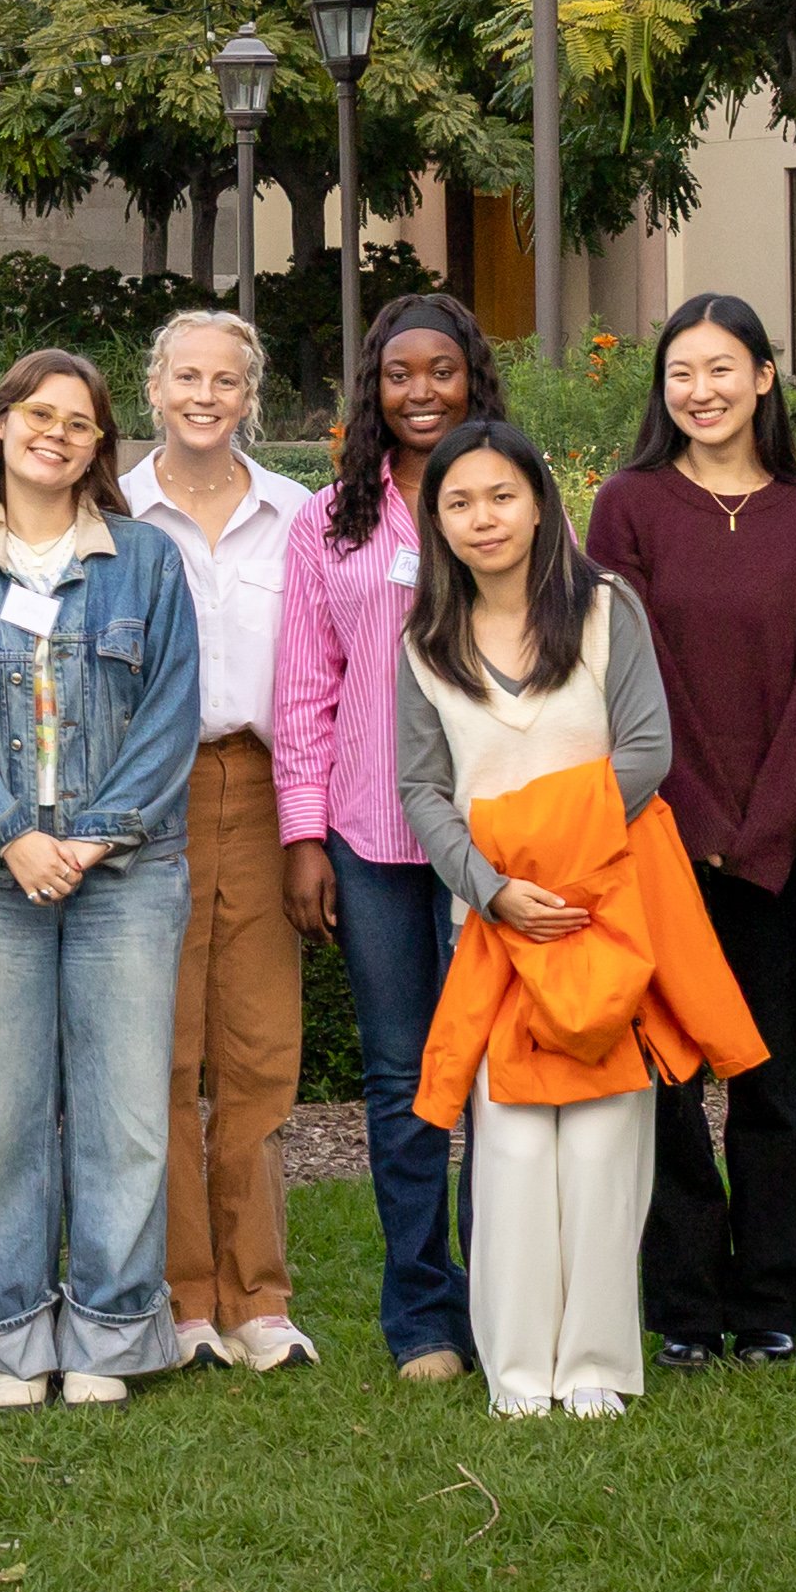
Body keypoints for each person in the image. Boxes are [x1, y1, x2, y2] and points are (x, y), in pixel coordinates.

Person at [394, 420, 764, 1416]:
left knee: (605, 1146)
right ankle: (519, 1376)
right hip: (502, 917)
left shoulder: (606, 610)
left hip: (608, 902)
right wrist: (494, 886)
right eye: (459, 501)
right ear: (438, 519)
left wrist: (553, 861)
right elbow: (422, 787)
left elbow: (646, 749)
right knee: (510, 1146)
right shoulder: (426, 642)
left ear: (540, 501)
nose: (483, 518)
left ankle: (596, 1370)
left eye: (501, 495)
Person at [0, 348, 205, 1406]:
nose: (56, 433)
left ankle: (111, 1330)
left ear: (98, 446)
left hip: (126, 871)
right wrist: (13, 834)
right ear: (1, 426)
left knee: (123, 1111)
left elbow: (171, 714)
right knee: (1, 1113)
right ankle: (16, 1330)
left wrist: (97, 834)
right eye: (38, 414)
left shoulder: (146, 564)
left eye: (79, 421)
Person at [583, 293, 796, 1367]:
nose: (702, 390)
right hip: (659, 834)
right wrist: (690, 818)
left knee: (774, 1086)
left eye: (723, 368)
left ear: (766, 377)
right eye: (682, 372)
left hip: (774, 845)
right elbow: (626, 678)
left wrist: (766, 825)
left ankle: (771, 1296)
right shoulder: (628, 506)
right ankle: (683, 1306)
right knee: (668, 1082)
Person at [268, 292, 505, 1383]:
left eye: (442, 371)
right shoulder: (331, 521)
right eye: (400, 374)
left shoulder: (504, 502)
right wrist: (303, 834)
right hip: (368, 836)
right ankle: (422, 1315)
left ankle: (509, 1298)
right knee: (404, 1073)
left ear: (473, 380)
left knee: (502, 1071)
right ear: (375, 386)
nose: (422, 392)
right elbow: (307, 685)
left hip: (492, 835)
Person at [121, 309, 318, 1370]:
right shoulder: (116, 512)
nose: (205, 395)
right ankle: (182, 1296)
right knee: (161, 1049)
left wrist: (310, 825)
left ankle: (260, 1297)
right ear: (154, 388)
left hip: (263, 783)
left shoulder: (297, 515)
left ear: (252, 395)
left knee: (256, 1052)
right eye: (186, 376)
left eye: (226, 380)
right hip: (151, 795)